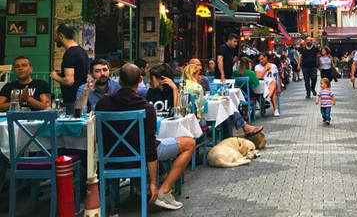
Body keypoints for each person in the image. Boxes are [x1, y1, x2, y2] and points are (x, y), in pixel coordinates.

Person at [95, 64, 194, 210]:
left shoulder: (103, 103)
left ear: (119, 81)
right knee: (190, 143)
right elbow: (150, 147)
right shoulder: (146, 108)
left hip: (111, 155)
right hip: (140, 153)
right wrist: (154, 183)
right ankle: (165, 190)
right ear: (140, 80)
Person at [184, 64, 262, 136]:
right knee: (226, 112)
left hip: (195, 113)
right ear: (192, 74)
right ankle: (238, 131)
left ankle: (239, 131)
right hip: (198, 115)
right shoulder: (197, 87)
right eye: (198, 74)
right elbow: (201, 107)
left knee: (226, 111)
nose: (200, 76)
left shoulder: (184, 85)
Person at [50, 23, 89, 115]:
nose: (54, 38)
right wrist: (62, 72)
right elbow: (78, 72)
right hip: (81, 98)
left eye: (55, 35)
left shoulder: (69, 54)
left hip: (71, 100)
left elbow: (69, 81)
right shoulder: (81, 51)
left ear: (61, 36)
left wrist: (55, 76)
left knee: (71, 126)